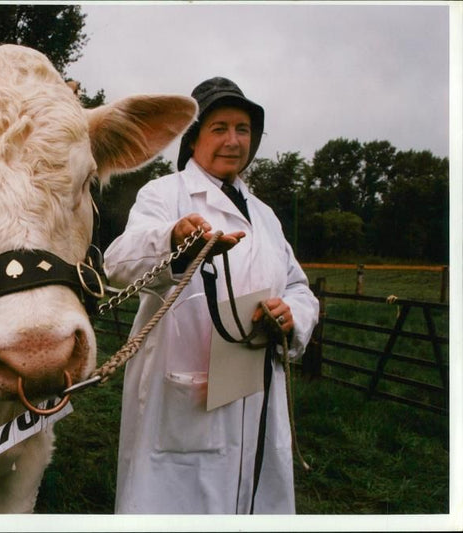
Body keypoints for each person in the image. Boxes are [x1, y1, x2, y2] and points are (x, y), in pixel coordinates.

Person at [103, 77, 319, 514]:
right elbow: (118, 263)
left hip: (256, 387)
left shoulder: (264, 215)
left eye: (243, 129)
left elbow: (298, 285)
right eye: (219, 128)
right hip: (185, 391)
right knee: (174, 504)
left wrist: (292, 312)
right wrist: (173, 240)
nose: (233, 141)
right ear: (195, 136)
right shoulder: (165, 194)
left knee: (255, 497)